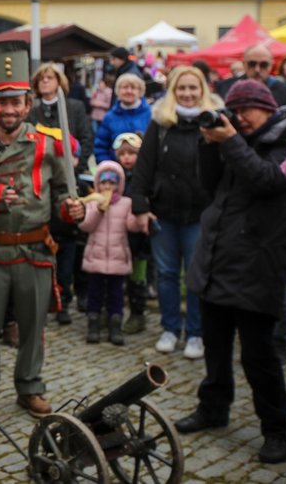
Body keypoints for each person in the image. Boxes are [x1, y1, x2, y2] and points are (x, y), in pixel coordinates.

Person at [175, 79, 286, 465]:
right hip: (219, 259)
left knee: (259, 356)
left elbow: (269, 181)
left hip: (259, 266)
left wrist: (231, 140)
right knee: (215, 349)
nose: (242, 118)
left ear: (266, 107)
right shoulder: (237, 137)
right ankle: (213, 408)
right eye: (237, 112)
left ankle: (277, 430)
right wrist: (208, 143)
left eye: (248, 110)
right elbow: (209, 185)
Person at [0, 41, 84, 420]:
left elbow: (63, 194)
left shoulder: (49, 145)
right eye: (2, 101)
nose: (10, 109)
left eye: (17, 102)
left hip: (35, 249)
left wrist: (72, 208)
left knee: (33, 326)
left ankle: (30, 386)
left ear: (28, 105)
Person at [130, 66, 220, 357]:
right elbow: (144, 166)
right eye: (182, 88)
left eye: (193, 88)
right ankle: (170, 328)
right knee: (167, 274)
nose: (188, 93)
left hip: (200, 213)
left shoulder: (214, 123)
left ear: (203, 91)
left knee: (196, 275)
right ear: (173, 91)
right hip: (164, 212)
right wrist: (141, 206)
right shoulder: (160, 122)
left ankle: (196, 332)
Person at [26, 63, 93, 324]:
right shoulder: (32, 111)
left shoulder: (74, 107)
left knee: (69, 243)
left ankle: (66, 298)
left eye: (50, 77)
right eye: (41, 78)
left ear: (59, 81)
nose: (45, 82)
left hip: (68, 179)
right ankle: (43, 296)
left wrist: (78, 160)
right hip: (42, 180)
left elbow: (86, 137)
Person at [78, 161, 141, 345]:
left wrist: (139, 216)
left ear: (118, 185)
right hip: (96, 257)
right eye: (104, 183)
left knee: (116, 295)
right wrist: (98, 210)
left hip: (117, 257)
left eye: (112, 183)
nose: (107, 187)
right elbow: (86, 225)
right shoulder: (93, 202)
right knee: (95, 293)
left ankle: (115, 326)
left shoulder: (125, 203)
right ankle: (94, 324)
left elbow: (131, 225)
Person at [113, 133, 152, 334]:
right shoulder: (113, 177)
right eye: (123, 154)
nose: (127, 158)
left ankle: (138, 313)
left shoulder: (145, 177)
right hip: (117, 238)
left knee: (137, 278)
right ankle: (113, 311)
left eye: (131, 153)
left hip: (139, 241)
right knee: (116, 278)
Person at [94, 73, 152, 163]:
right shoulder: (109, 117)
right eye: (125, 87)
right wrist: (110, 167)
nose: (129, 91)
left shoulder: (151, 115)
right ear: (118, 90)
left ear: (140, 91)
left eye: (133, 88)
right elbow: (101, 147)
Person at [216, 44, 286, 107]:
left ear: (271, 66)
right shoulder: (225, 88)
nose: (257, 69)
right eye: (252, 64)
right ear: (244, 64)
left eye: (263, 65)